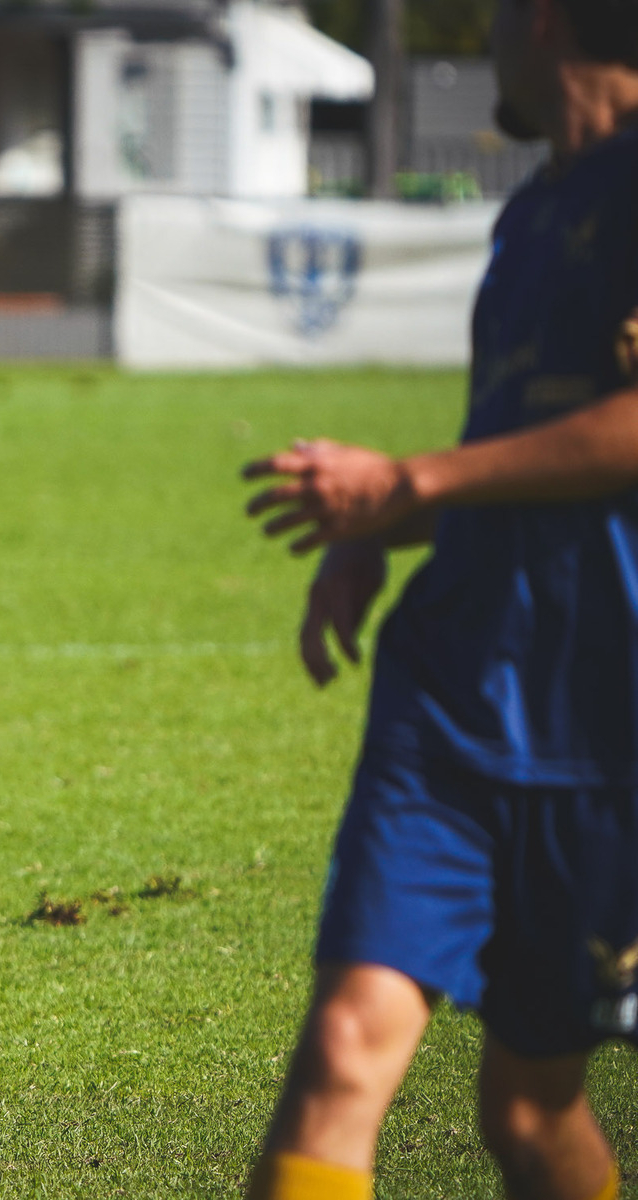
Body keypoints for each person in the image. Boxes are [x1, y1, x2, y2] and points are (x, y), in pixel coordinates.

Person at [240, 1, 638, 1196]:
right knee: (342, 1052)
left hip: (608, 723)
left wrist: (411, 480)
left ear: (547, 18)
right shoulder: (530, 215)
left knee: (529, 1108)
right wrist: (390, 524)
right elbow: (522, 447)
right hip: (454, 700)